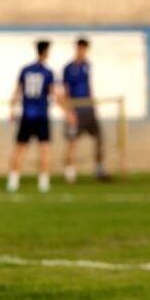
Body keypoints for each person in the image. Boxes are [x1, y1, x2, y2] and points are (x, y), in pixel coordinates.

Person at [6, 40, 73, 193]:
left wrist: (11, 111)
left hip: (26, 115)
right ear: (46, 52)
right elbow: (54, 94)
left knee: (20, 149)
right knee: (45, 149)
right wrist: (67, 112)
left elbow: (17, 92)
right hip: (41, 116)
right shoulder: (47, 72)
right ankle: (43, 183)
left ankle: (13, 182)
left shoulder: (25, 70)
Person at [62, 37, 108, 182]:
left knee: (99, 138)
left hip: (88, 108)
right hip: (76, 108)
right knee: (72, 142)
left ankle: (99, 169)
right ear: (77, 48)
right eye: (81, 48)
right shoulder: (69, 68)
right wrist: (68, 111)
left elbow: (89, 85)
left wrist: (93, 104)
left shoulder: (87, 65)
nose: (83, 51)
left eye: (85, 49)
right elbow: (65, 90)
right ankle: (70, 173)